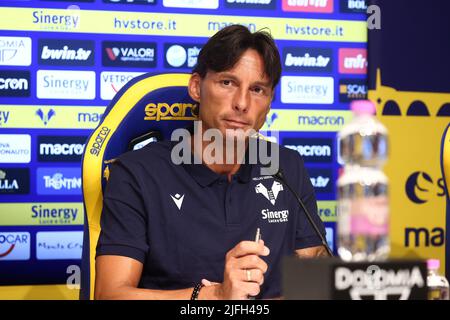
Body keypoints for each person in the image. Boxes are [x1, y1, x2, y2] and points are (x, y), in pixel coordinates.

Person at [94, 25, 328, 300]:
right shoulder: (137, 173)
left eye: (257, 89)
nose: (242, 103)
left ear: (269, 103)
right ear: (196, 87)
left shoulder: (286, 167)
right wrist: (215, 296)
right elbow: (110, 294)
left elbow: (317, 269)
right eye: (227, 83)